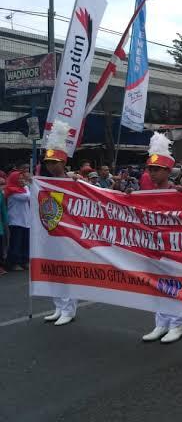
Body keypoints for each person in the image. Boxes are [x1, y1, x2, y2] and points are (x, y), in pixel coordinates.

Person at [140, 132, 182, 344]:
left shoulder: (178, 192)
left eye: (156, 169)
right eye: (150, 169)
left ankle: (177, 324)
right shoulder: (145, 193)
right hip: (152, 246)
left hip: (174, 248)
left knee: (174, 285)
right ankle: (161, 323)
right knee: (156, 285)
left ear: (167, 171)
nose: (152, 173)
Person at [41, 120, 78, 326]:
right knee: (53, 270)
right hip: (50, 232)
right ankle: (58, 306)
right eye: (48, 162)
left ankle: (69, 308)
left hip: (68, 234)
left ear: (63, 163)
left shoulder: (73, 182)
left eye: (54, 162)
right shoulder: (44, 184)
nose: (50, 166)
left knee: (66, 271)